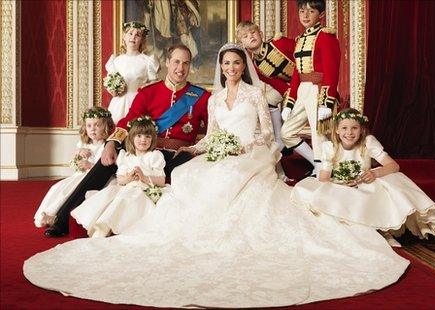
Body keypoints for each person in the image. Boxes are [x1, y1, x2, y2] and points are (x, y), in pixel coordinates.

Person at [24, 43, 409, 308]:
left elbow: (261, 133)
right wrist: (189, 147)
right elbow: (200, 134)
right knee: (183, 174)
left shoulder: (232, 96)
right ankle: (69, 217)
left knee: (210, 176)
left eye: (236, 64)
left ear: (242, 66)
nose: (230, 69)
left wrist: (233, 147)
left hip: (244, 154)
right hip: (169, 147)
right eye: (225, 64)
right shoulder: (179, 94)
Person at [43, 44, 209, 237]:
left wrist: (194, 149)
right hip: (144, 148)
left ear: (190, 66)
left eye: (186, 63)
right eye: (176, 62)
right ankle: (62, 219)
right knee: (106, 163)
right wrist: (111, 144)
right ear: (167, 63)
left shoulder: (201, 97)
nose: (180, 68)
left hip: (176, 157)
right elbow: (126, 122)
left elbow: (211, 130)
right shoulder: (149, 92)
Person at [291, 108, 435, 245]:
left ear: (361, 130)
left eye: (354, 128)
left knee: (388, 183)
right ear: (337, 130)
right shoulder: (330, 147)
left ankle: (383, 230)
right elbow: (324, 178)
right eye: (345, 128)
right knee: (319, 192)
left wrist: (375, 173)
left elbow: (394, 166)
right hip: (341, 185)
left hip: (364, 185)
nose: (349, 133)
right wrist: (339, 184)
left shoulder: (367, 142)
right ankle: (355, 232)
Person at [71, 116, 166, 238]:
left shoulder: (155, 156)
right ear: (131, 138)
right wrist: (130, 177)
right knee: (109, 195)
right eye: (139, 136)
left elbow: (162, 180)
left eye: (147, 136)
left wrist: (144, 177)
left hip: (145, 188)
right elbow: (120, 180)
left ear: (152, 139)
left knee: (128, 198)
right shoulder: (126, 156)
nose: (143, 140)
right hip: (127, 186)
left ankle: (107, 225)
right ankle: (100, 225)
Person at [281, 0, 341, 176]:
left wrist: (326, 103)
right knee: (287, 132)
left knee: (320, 132)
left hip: (319, 89)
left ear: (321, 14)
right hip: (302, 90)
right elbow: (296, 74)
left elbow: (331, 72)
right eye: (302, 12)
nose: (305, 16)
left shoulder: (326, 36)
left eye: (311, 11)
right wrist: (289, 104)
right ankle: (316, 164)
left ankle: (322, 168)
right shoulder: (300, 39)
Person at [33, 107, 114, 228]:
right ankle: (49, 213)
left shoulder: (106, 146)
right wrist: (78, 155)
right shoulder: (84, 144)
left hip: (93, 178)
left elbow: (104, 169)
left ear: (106, 126)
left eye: (97, 125)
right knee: (57, 188)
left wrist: (89, 165)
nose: (93, 129)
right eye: (89, 125)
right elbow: (73, 161)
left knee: (70, 190)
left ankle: (56, 216)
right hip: (79, 175)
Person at [237, 21, 299, 151]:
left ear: (261, 34)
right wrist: (288, 92)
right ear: (242, 44)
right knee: (266, 101)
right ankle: (279, 139)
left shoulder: (278, 43)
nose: (251, 37)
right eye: (245, 36)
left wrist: (293, 91)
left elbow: (301, 57)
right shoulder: (255, 65)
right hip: (288, 86)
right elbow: (275, 83)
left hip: (304, 79)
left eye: (253, 32)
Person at [105, 21, 160, 123]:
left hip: (138, 103)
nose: (133, 37)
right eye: (130, 33)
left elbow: (154, 85)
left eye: (137, 35)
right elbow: (110, 82)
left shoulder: (147, 61)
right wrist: (113, 90)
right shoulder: (116, 61)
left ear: (142, 40)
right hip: (119, 103)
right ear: (124, 37)